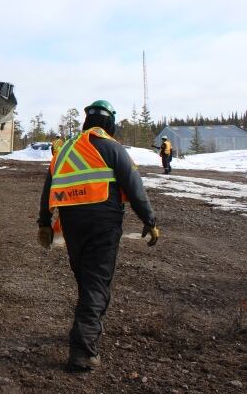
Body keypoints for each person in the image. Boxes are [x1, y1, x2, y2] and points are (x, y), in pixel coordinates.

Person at [36, 100, 161, 371]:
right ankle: (83, 350)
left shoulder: (65, 149)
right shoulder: (113, 148)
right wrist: (149, 221)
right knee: (96, 284)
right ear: (109, 123)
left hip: (71, 223)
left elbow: (49, 186)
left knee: (87, 279)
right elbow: (134, 186)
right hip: (103, 223)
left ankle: (86, 328)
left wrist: (45, 223)